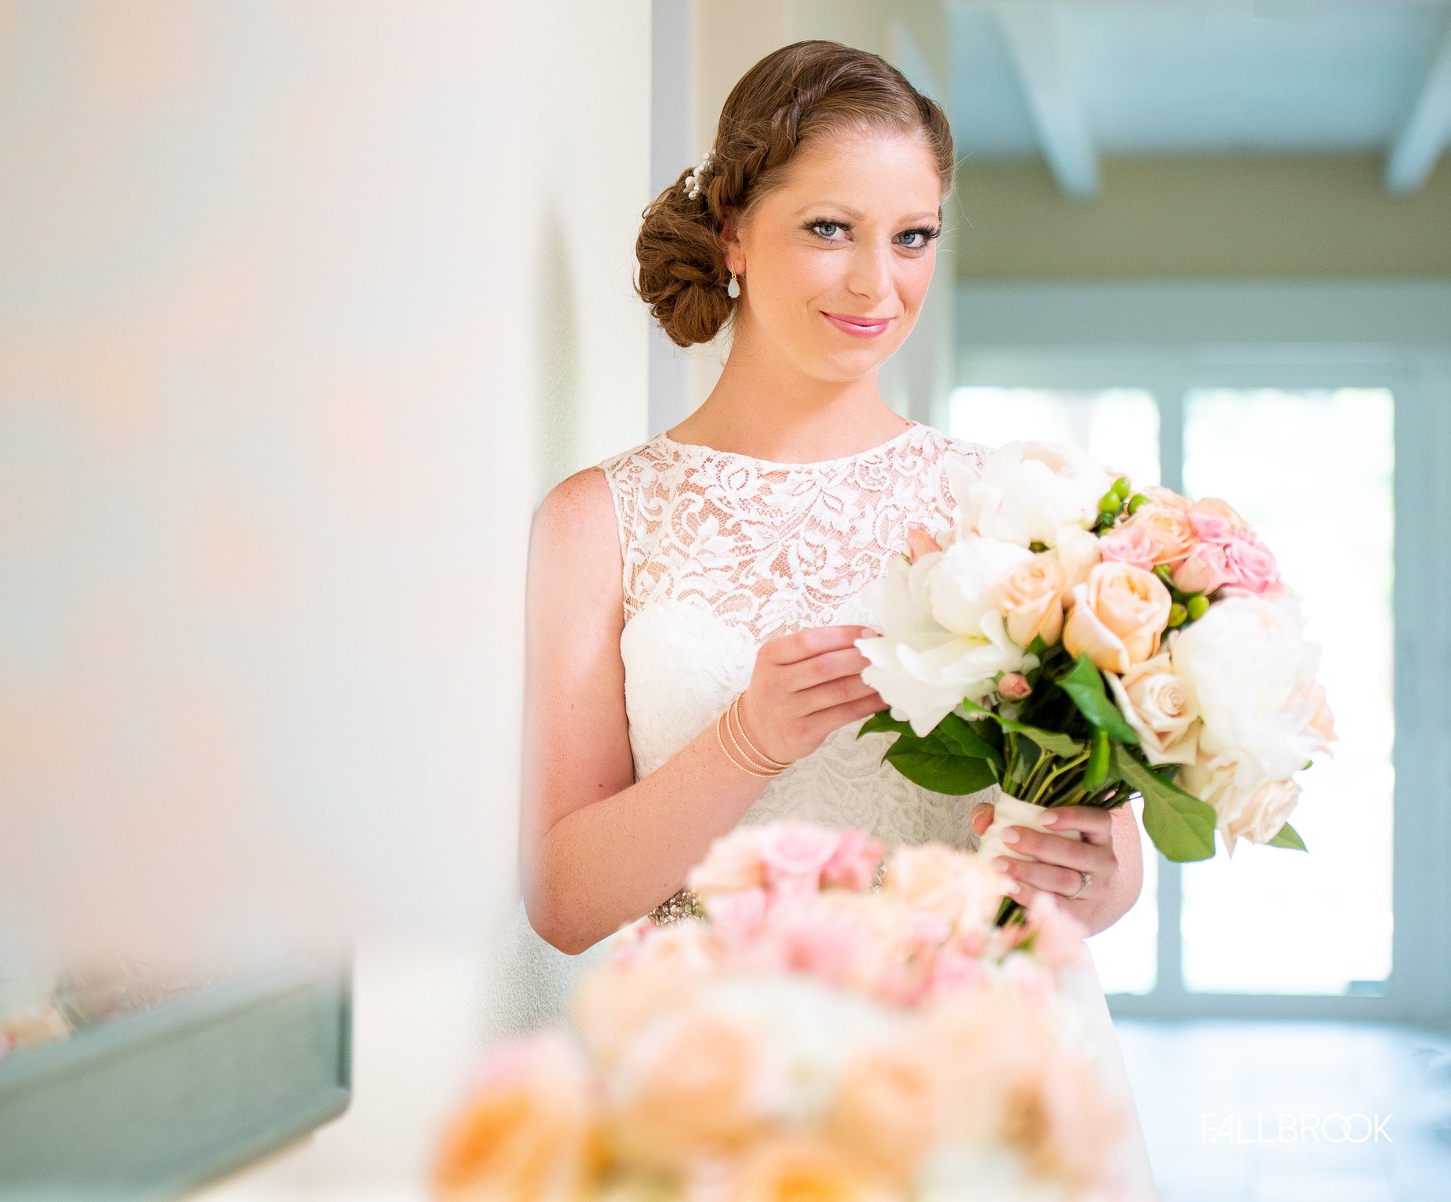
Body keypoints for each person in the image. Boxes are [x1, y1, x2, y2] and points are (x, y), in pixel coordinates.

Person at [476, 38, 1156, 1197]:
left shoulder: (1010, 507)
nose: (875, 285)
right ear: (735, 229)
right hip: (720, 1085)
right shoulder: (597, 521)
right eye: (829, 228)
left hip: (976, 1065)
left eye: (913, 236)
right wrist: (744, 742)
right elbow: (566, 900)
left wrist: (1096, 873)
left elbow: (1108, 863)